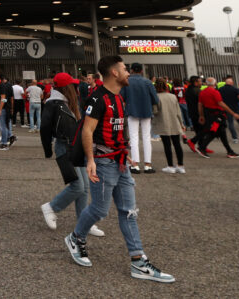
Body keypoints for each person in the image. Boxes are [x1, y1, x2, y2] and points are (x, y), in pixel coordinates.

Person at [64, 55, 174, 283]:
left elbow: (118, 129)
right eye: (124, 69)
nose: (128, 73)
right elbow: (87, 131)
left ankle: (138, 261)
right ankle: (76, 238)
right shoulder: (98, 98)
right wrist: (91, 160)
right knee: (99, 210)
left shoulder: (120, 97)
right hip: (103, 162)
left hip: (121, 161)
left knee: (129, 211)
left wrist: (126, 152)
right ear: (114, 72)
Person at [40, 72, 104, 237]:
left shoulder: (68, 102)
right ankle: (51, 207)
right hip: (64, 147)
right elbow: (45, 128)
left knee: (85, 187)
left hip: (76, 147)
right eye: (73, 85)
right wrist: (47, 150)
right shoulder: (53, 103)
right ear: (66, 87)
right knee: (78, 186)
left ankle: (84, 223)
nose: (76, 87)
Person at [121, 62, 158, 174]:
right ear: (141, 71)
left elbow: (122, 97)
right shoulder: (148, 82)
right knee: (146, 137)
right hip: (146, 111)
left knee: (133, 137)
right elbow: (155, 99)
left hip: (132, 111)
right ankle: (148, 165)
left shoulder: (127, 82)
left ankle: (135, 164)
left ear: (131, 70)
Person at [197, 76, 239, 159]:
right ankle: (202, 147)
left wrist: (201, 115)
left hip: (209, 115)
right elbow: (221, 103)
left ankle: (229, 151)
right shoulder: (215, 92)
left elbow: (200, 105)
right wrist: (233, 113)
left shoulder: (202, 92)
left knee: (221, 132)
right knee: (215, 132)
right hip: (217, 116)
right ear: (215, 83)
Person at [153, 79, 186, 173]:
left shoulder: (156, 97)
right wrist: (181, 123)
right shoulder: (173, 96)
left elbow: (155, 111)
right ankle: (180, 165)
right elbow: (178, 112)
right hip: (174, 122)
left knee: (167, 145)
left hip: (163, 123)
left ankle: (170, 166)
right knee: (177, 144)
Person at [219, 76, 239, 144]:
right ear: (231, 83)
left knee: (230, 123)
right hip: (235, 108)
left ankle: (235, 138)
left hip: (226, 108)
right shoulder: (235, 89)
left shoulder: (221, 89)